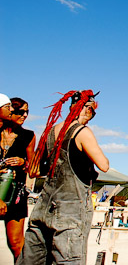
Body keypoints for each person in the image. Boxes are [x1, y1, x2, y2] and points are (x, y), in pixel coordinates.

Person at [17, 90, 109, 265]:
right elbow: (104, 165)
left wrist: (57, 165)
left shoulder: (52, 131)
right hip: (69, 212)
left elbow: (34, 171)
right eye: (93, 110)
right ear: (88, 109)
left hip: (43, 207)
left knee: (30, 260)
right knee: (68, 260)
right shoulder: (82, 132)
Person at [0, 97, 36, 260]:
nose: (25, 115)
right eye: (21, 111)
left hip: (16, 192)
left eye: (27, 112)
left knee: (15, 242)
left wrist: (24, 162)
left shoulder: (28, 136)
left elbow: (34, 169)